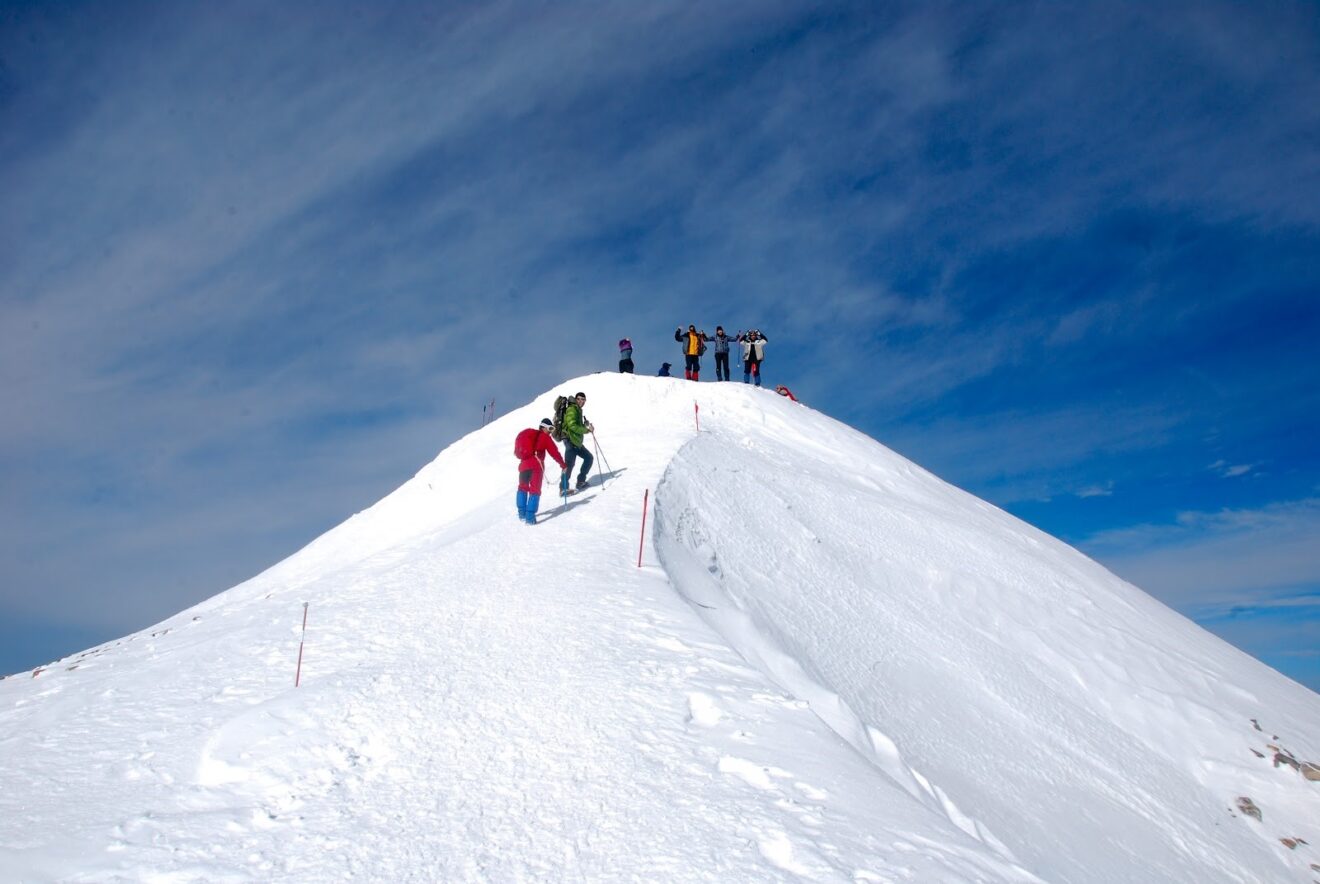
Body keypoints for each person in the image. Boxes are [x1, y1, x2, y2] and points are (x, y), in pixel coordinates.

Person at [514, 418, 566, 524]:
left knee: (522, 488)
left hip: (523, 466)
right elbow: (554, 452)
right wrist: (563, 464)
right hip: (536, 467)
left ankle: (521, 514)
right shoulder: (545, 438)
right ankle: (530, 518)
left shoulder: (530, 435)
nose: (551, 431)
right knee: (535, 491)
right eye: (550, 428)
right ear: (543, 427)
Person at [560, 391, 595, 493]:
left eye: (583, 399)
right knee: (569, 464)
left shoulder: (578, 410)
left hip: (576, 441)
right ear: (576, 399)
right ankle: (563, 488)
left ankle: (580, 481)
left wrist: (587, 427)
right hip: (570, 440)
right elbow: (572, 425)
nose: (581, 401)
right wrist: (586, 430)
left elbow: (576, 426)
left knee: (589, 458)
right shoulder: (572, 409)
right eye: (579, 399)